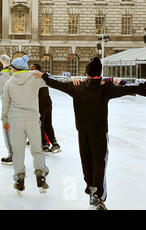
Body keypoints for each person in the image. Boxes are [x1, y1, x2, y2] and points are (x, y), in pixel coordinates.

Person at [37, 57, 146, 210]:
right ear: (99, 74)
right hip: (99, 133)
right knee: (99, 163)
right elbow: (133, 88)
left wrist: (44, 75)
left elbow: (56, 83)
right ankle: (98, 196)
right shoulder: (106, 87)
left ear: (86, 73)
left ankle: (91, 189)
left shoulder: (77, 87)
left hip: (83, 133)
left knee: (86, 161)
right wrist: (119, 82)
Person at [1, 55, 49, 194]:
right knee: (36, 149)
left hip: (15, 120)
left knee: (18, 151)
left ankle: (19, 179)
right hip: (33, 119)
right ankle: (41, 176)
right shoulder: (34, 77)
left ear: (15, 68)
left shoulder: (9, 82)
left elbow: (6, 103)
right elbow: (48, 81)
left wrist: (5, 119)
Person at [29, 63, 60, 154]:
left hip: (41, 104)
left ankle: (44, 144)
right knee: (47, 123)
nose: (31, 71)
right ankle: (54, 143)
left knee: (41, 123)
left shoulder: (36, 77)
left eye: (32, 69)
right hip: (47, 103)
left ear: (37, 70)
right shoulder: (43, 77)